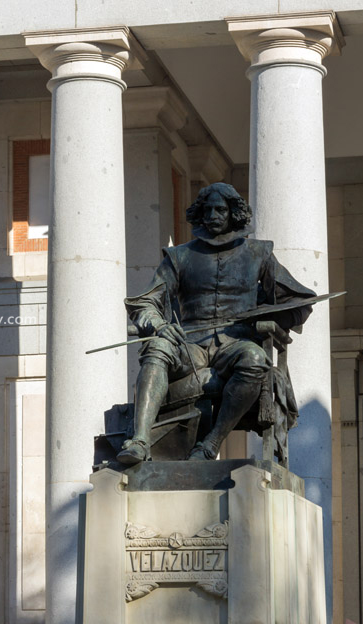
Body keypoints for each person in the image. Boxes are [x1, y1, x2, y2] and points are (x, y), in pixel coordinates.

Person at [117, 182, 315, 465]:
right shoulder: (179, 256)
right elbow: (144, 302)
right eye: (207, 210)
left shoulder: (259, 253)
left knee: (256, 359)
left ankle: (209, 444)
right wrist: (159, 325)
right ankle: (139, 441)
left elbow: (299, 302)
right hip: (189, 345)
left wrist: (265, 316)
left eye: (220, 209)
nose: (213, 215)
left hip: (236, 344)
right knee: (157, 348)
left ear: (234, 213)